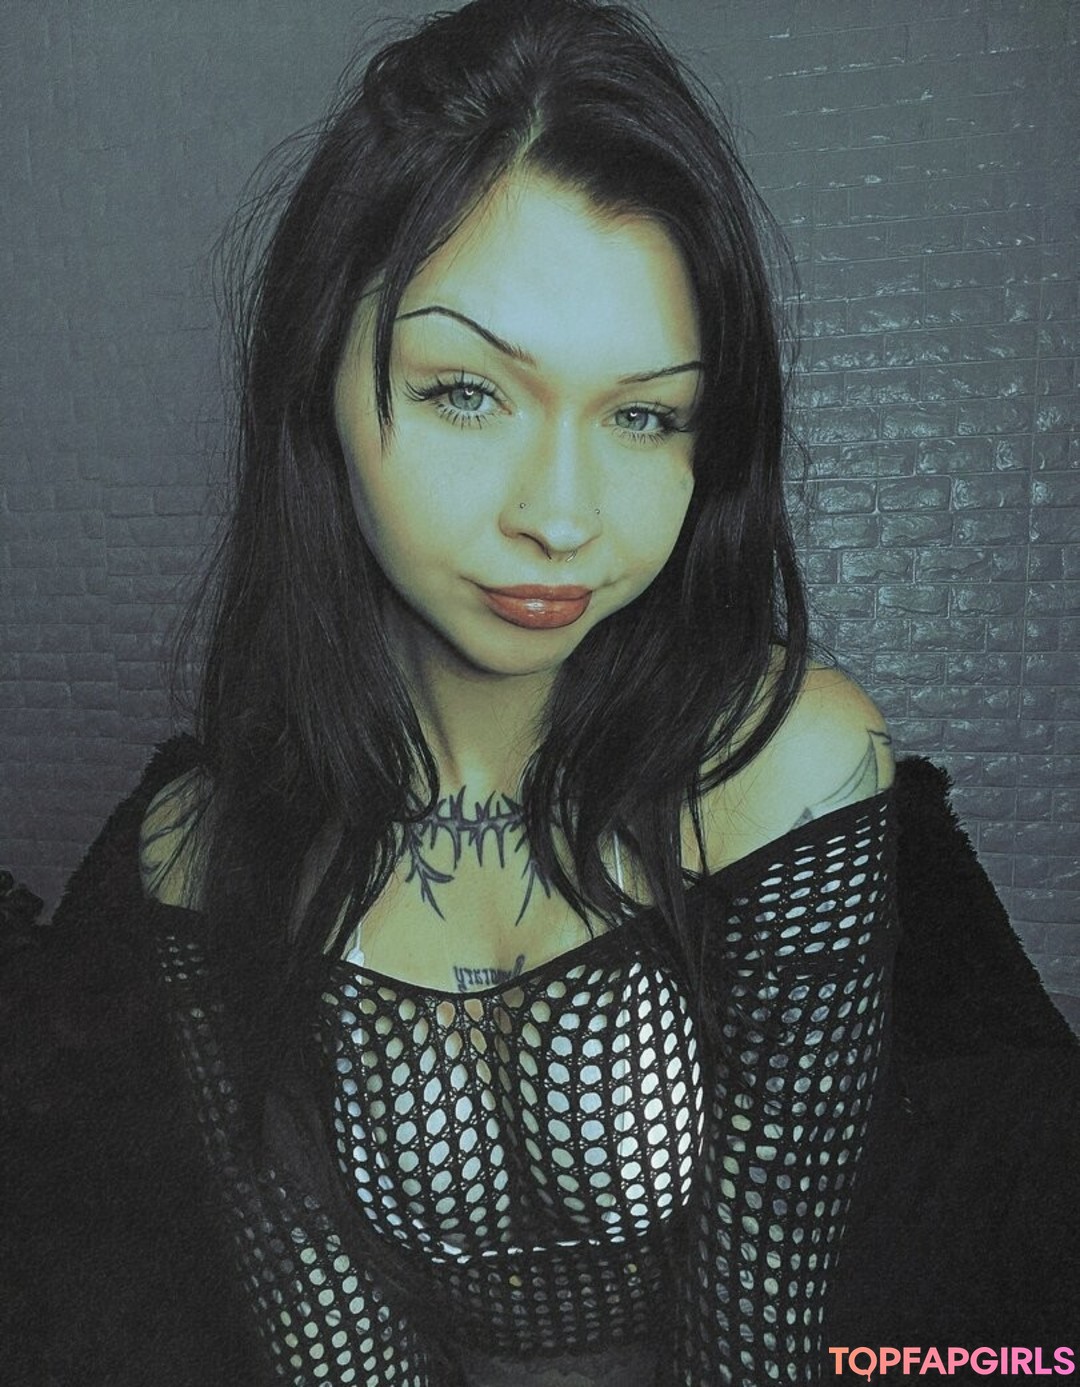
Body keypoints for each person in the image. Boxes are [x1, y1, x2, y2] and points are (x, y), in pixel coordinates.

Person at [5, 1, 904, 1383]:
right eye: (467, 393)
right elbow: (326, 1341)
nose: (562, 516)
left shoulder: (788, 770)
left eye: (645, 415)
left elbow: (762, 1335)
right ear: (318, 379)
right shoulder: (200, 847)